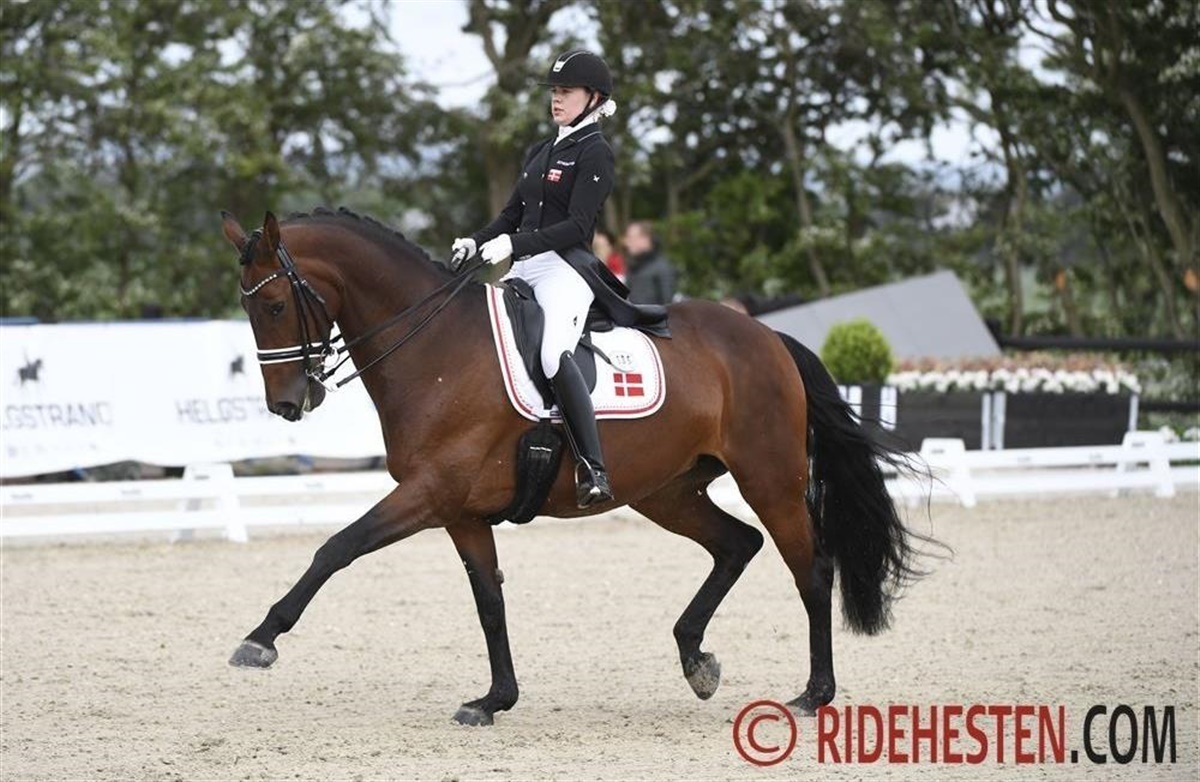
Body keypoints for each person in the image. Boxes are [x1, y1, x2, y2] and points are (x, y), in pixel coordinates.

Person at [448, 49, 620, 508]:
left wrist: (514, 245)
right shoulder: (542, 150)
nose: (556, 99)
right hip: (523, 266)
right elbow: (512, 214)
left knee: (550, 352)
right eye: (554, 92)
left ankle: (593, 467)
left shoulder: (595, 152)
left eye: (566, 91)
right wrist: (476, 241)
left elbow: (578, 226)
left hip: (565, 270)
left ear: (594, 97)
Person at [622, 221, 679, 305]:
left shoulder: (662, 267)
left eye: (631, 238)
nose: (627, 243)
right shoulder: (633, 266)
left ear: (645, 239)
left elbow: (667, 304)